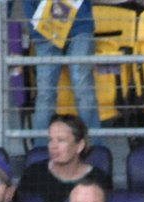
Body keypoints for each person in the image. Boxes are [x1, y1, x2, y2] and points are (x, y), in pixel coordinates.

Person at [16, 114, 110, 202]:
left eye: (61, 140)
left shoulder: (98, 178)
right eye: (51, 140)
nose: (53, 146)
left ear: (80, 145)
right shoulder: (34, 173)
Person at [25, 0, 101, 134]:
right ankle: (43, 146)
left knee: (50, 93)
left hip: (69, 24)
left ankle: (93, 144)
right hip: (47, 27)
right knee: (49, 92)